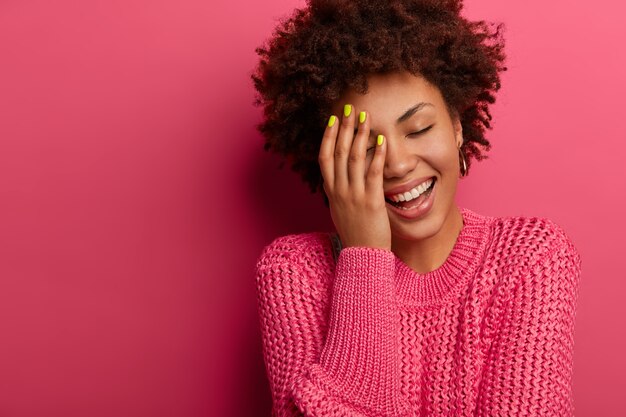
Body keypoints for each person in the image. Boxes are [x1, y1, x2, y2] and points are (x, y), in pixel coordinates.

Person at [252, 0, 582, 416]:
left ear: (458, 127)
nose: (399, 164)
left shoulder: (529, 257)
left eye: (419, 128)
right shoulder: (294, 275)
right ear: (329, 160)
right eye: (365, 146)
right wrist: (364, 257)